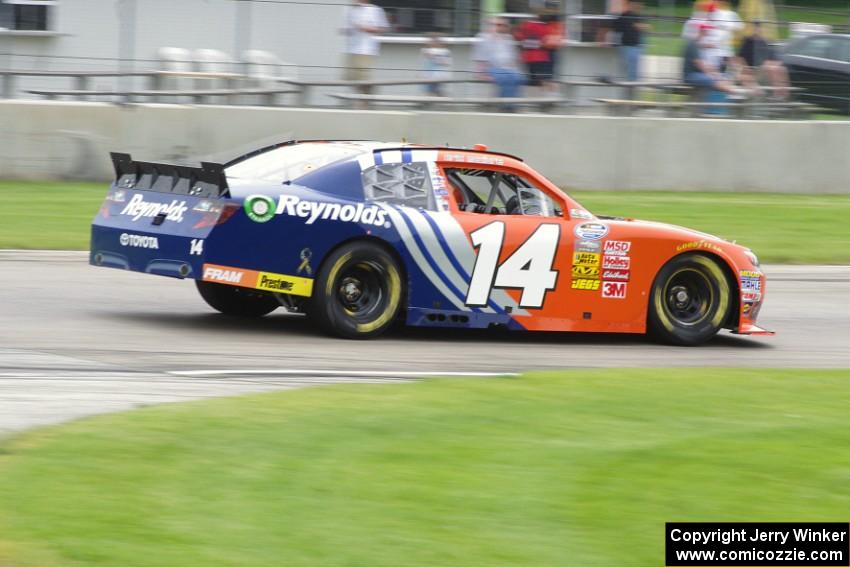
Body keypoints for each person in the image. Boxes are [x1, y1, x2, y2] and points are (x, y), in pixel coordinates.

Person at [472, 18, 525, 99]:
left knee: (517, 77)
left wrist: (515, 69)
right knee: (505, 78)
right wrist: (481, 74)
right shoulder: (484, 38)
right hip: (492, 68)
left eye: (504, 25)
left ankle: (510, 103)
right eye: (498, 25)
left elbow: (514, 58)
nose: (501, 27)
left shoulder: (508, 38)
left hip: (508, 69)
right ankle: (508, 105)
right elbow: (480, 58)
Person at [682, 23, 740, 95]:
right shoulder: (692, 45)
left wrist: (715, 72)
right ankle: (732, 92)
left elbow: (705, 64)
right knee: (712, 79)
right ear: (701, 31)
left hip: (698, 74)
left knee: (721, 77)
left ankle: (730, 92)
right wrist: (713, 74)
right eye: (706, 31)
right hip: (690, 76)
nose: (708, 33)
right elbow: (700, 64)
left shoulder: (697, 45)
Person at [737, 20, 790, 99]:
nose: (757, 30)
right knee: (771, 68)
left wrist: (774, 63)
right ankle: (777, 94)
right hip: (754, 70)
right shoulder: (747, 42)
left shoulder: (765, 42)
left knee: (782, 69)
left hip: (764, 69)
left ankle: (784, 94)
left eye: (759, 27)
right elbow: (740, 58)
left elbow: (775, 58)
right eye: (755, 27)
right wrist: (746, 68)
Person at [340, 0, 390, 82]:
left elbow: (383, 28)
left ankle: (367, 94)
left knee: (363, 78)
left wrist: (367, 29)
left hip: (366, 50)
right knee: (348, 78)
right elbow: (345, 29)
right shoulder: (349, 9)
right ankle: (362, 93)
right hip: (350, 50)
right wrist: (345, 30)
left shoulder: (375, 10)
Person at [515, 6, 558, 94]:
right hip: (542, 57)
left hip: (529, 58)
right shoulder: (545, 27)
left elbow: (518, 36)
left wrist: (526, 42)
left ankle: (537, 98)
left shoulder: (525, 25)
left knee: (534, 80)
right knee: (545, 79)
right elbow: (546, 41)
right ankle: (549, 96)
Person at [612, 0, 650, 82]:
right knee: (629, 74)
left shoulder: (638, 16)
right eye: (637, 3)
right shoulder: (625, 16)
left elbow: (646, 28)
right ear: (630, 4)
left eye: (641, 4)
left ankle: (631, 88)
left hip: (636, 47)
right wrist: (639, 26)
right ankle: (629, 88)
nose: (640, 5)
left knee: (633, 74)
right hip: (628, 47)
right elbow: (616, 29)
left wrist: (640, 26)